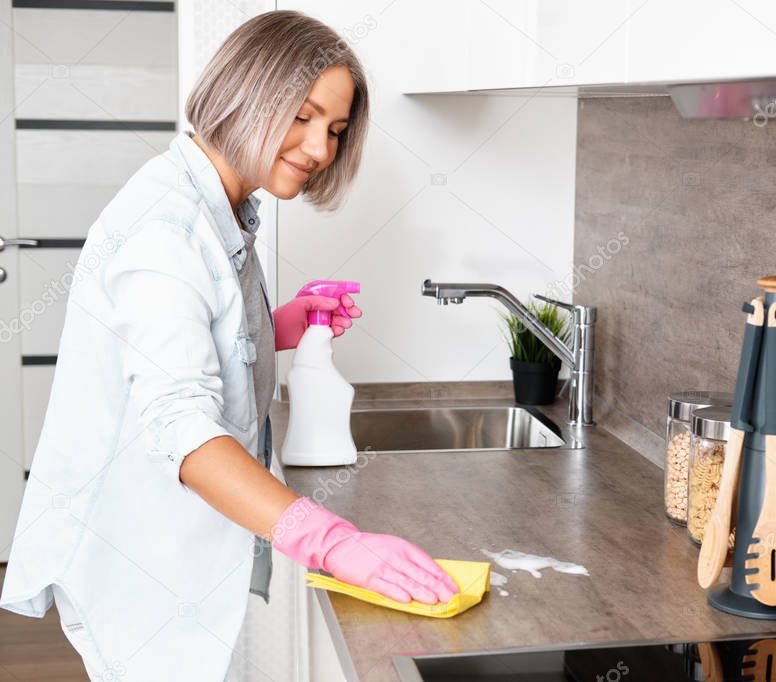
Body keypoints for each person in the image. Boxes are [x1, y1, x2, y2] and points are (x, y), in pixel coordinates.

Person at [0, 10, 457, 681]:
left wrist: (281, 326)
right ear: (251, 91)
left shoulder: (220, 203)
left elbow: (183, 345)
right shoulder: (167, 230)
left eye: (332, 130)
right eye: (303, 116)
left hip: (166, 546)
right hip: (141, 556)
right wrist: (333, 542)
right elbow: (183, 428)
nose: (320, 149)